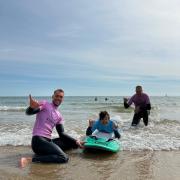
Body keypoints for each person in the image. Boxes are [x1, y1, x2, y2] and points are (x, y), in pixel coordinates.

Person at [22, 89, 83, 165]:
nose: (58, 98)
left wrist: (76, 141)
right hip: (38, 141)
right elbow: (29, 113)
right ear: (52, 96)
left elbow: (62, 134)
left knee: (71, 144)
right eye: (57, 96)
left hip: (47, 141)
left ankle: (47, 155)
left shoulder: (59, 115)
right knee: (64, 158)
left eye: (61, 97)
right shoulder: (45, 104)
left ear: (62, 99)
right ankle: (30, 160)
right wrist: (31, 108)